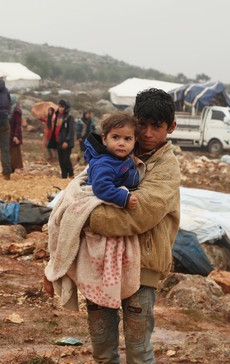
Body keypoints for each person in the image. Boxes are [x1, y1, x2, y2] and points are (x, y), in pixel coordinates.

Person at [45, 88, 180, 363]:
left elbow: (139, 214)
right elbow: (78, 190)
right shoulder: (115, 154)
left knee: (138, 350)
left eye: (157, 126)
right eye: (142, 124)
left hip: (144, 265)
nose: (148, 133)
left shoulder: (166, 167)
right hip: (100, 262)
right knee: (103, 350)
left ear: (171, 127)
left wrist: (84, 219)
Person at [84, 112, 140, 209]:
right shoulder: (104, 164)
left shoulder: (124, 156)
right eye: (115, 137)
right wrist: (124, 198)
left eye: (127, 139)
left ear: (135, 140)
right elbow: (101, 187)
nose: (121, 143)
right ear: (104, 139)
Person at [54, 99, 75, 178]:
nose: (61, 108)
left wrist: (66, 141)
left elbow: (71, 131)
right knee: (61, 160)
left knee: (66, 159)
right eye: (59, 106)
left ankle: (71, 173)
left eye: (62, 107)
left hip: (66, 142)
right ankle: (64, 175)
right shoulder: (57, 116)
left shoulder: (69, 118)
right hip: (58, 141)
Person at [8, 95, 24, 173]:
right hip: (9, 133)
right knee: (10, 150)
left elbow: (18, 124)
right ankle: (10, 167)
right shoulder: (9, 110)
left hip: (14, 134)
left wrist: (16, 136)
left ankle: (12, 168)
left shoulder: (16, 111)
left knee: (14, 151)